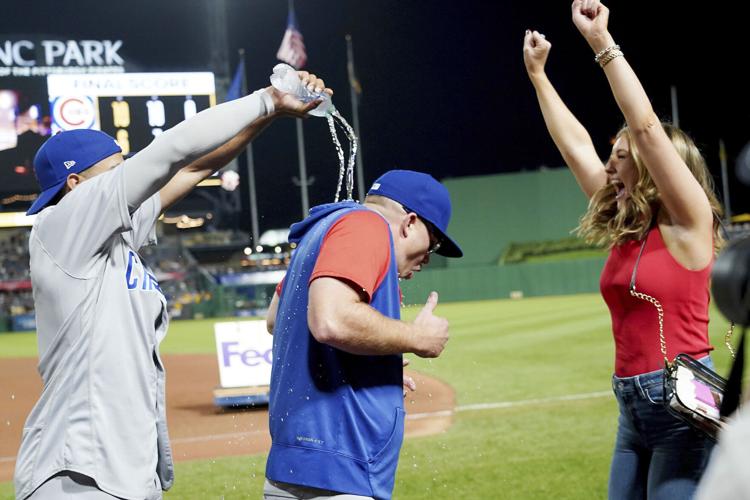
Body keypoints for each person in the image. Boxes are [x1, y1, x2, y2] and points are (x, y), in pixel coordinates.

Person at [14, 71, 332, 500]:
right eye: (115, 171)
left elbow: (195, 166)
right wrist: (265, 98)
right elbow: (170, 151)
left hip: (125, 469)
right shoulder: (60, 226)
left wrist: (272, 114)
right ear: (75, 184)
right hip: (78, 474)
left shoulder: (113, 235)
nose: (128, 177)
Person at [523, 1, 725, 498]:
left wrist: (600, 43)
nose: (607, 169)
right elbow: (574, 146)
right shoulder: (628, 225)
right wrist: (538, 76)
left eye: (618, 159)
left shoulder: (689, 222)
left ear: (651, 167)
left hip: (683, 405)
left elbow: (647, 129)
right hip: (633, 410)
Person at [263, 170, 463, 499]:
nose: (429, 257)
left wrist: (373, 359)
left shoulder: (323, 229)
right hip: (338, 470)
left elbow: (275, 318)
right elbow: (331, 320)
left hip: (296, 468)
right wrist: (418, 337)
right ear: (409, 222)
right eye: (434, 242)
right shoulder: (367, 225)